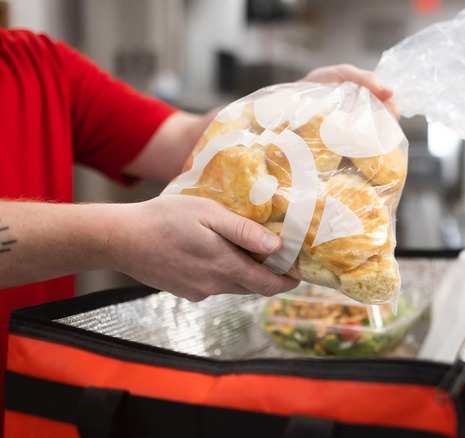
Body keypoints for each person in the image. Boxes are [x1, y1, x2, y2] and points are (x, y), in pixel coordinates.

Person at [0, 27, 394, 429]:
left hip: (34, 395)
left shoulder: (33, 61)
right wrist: (118, 237)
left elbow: (186, 142)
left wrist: (291, 109)